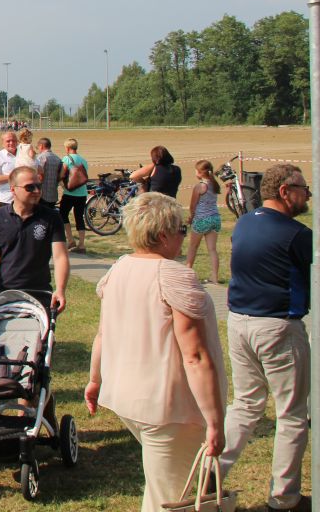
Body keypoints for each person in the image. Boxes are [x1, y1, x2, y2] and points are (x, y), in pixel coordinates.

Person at [84, 193, 226, 512]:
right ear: (163, 235)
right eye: (181, 230)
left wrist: (95, 380)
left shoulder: (120, 268)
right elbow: (195, 356)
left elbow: (102, 334)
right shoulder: (174, 276)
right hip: (168, 409)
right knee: (169, 497)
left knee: (161, 482)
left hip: (131, 399)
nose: (183, 236)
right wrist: (215, 422)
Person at [219, 164, 312, 512]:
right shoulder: (296, 234)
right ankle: (285, 498)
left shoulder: (245, 222)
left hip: (239, 323)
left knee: (245, 405)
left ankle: (209, 476)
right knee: (292, 415)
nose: (308, 194)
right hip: (278, 327)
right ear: (285, 191)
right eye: (303, 188)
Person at [0, 166, 70, 315]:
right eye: (30, 187)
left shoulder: (52, 217)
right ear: (13, 189)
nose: (37, 191)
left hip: (40, 293)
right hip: (5, 293)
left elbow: (60, 257)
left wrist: (60, 290)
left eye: (39, 186)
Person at [186, 160, 223, 284]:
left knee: (193, 247)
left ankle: (187, 274)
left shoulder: (200, 186)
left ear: (200, 172)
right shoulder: (214, 184)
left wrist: (191, 217)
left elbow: (192, 205)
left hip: (202, 219)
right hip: (215, 218)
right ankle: (215, 277)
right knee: (212, 249)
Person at [59, 138, 90, 254]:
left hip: (70, 193)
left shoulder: (66, 159)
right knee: (79, 217)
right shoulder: (83, 160)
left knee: (63, 215)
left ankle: (71, 239)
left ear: (67, 148)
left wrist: (62, 184)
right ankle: (81, 244)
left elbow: (62, 174)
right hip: (82, 193)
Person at [35, 138, 63, 209]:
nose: (38, 149)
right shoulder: (58, 159)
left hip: (42, 195)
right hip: (53, 195)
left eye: (38, 147)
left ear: (41, 146)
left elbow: (39, 176)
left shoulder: (40, 157)